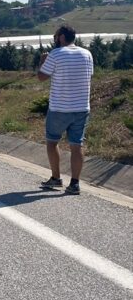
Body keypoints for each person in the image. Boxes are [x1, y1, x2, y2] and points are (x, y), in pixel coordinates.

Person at [37, 25, 94, 195]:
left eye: (56, 37)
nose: (55, 40)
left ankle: (56, 178)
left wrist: (42, 62)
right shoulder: (87, 54)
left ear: (61, 37)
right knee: (77, 145)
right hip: (82, 107)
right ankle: (75, 183)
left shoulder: (55, 54)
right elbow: (89, 76)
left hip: (59, 108)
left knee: (52, 141)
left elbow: (41, 77)